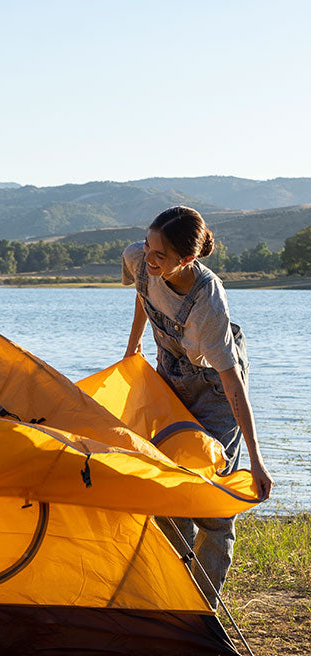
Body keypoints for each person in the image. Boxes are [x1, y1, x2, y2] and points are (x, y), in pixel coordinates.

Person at [123, 205, 273, 606]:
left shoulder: (208, 302)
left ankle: (202, 608)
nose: (149, 259)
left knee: (210, 498)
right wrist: (133, 345)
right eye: (148, 247)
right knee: (165, 485)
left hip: (215, 390)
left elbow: (233, 381)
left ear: (187, 259)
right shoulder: (138, 257)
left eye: (161, 256)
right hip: (169, 379)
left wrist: (256, 460)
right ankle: (175, 593)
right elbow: (143, 292)